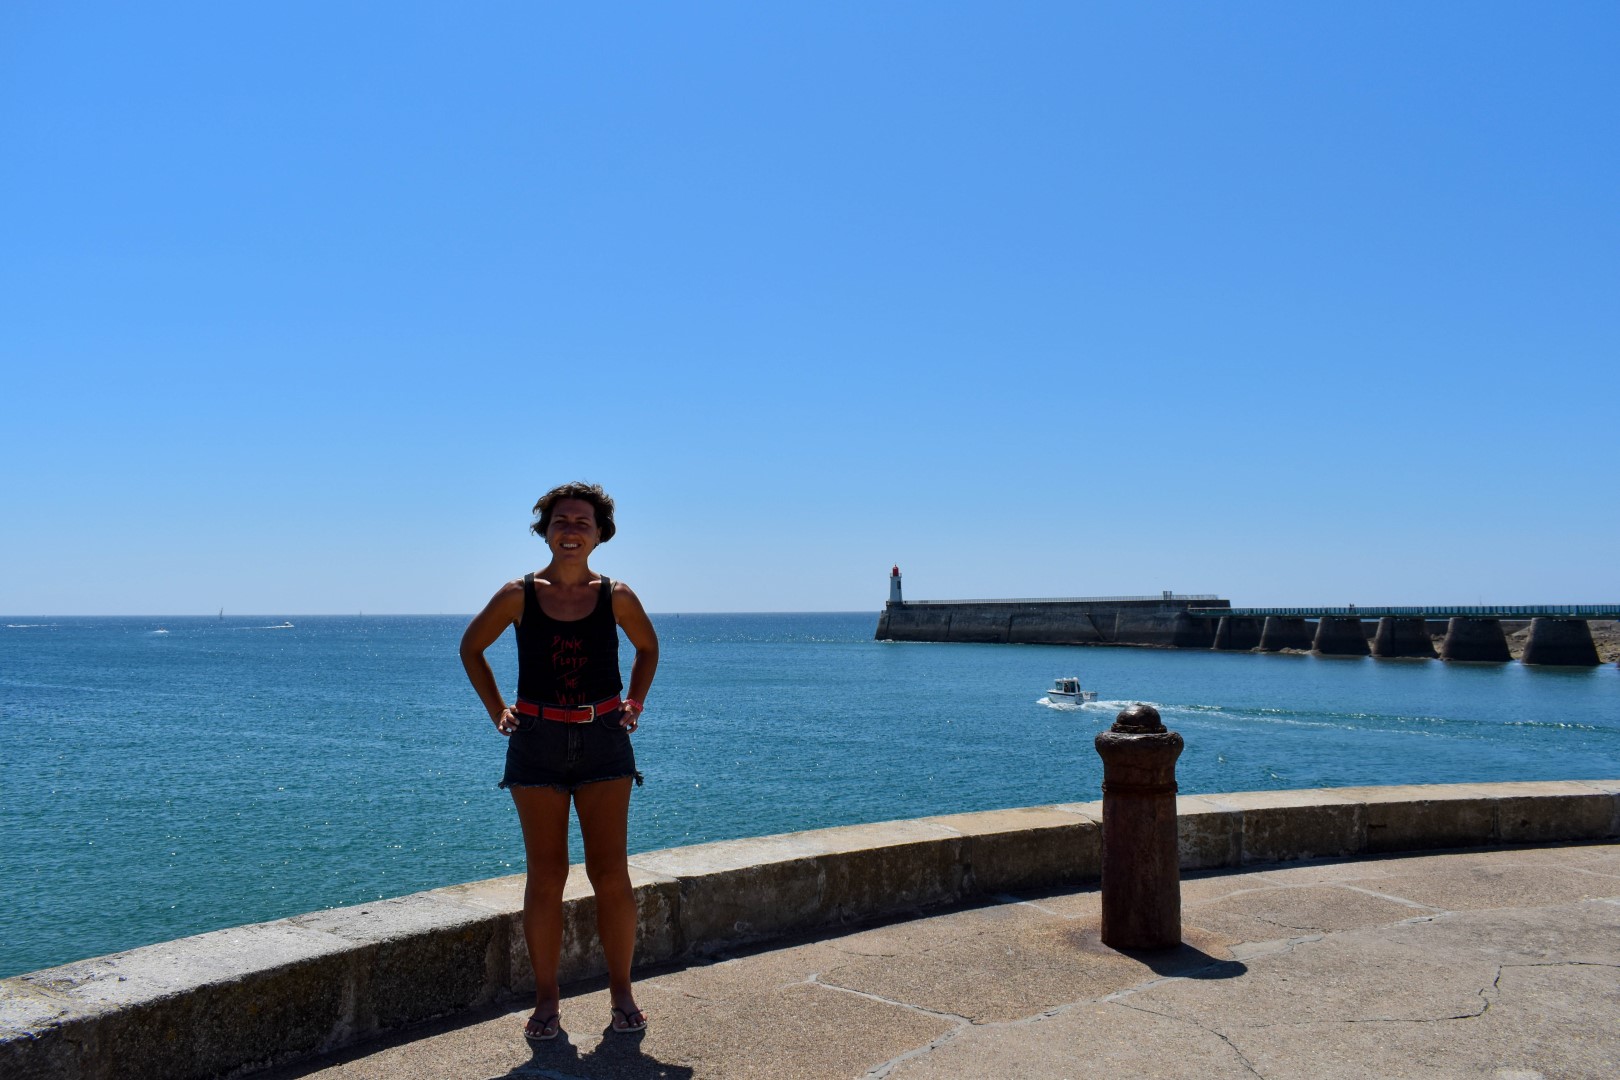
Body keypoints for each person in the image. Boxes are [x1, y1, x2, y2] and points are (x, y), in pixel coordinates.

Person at [460, 482, 659, 1044]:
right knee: (546, 877)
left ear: (600, 534)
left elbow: (648, 648)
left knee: (610, 874)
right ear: (545, 530)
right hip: (537, 741)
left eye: (583, 522)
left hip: (603, 740)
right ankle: (547, 1000)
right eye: (561, 521)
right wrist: (497, 709)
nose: (571, 529)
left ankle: (621, 992)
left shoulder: (615, 596)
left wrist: (635, 703)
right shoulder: (517, 595)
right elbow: (470, 648)